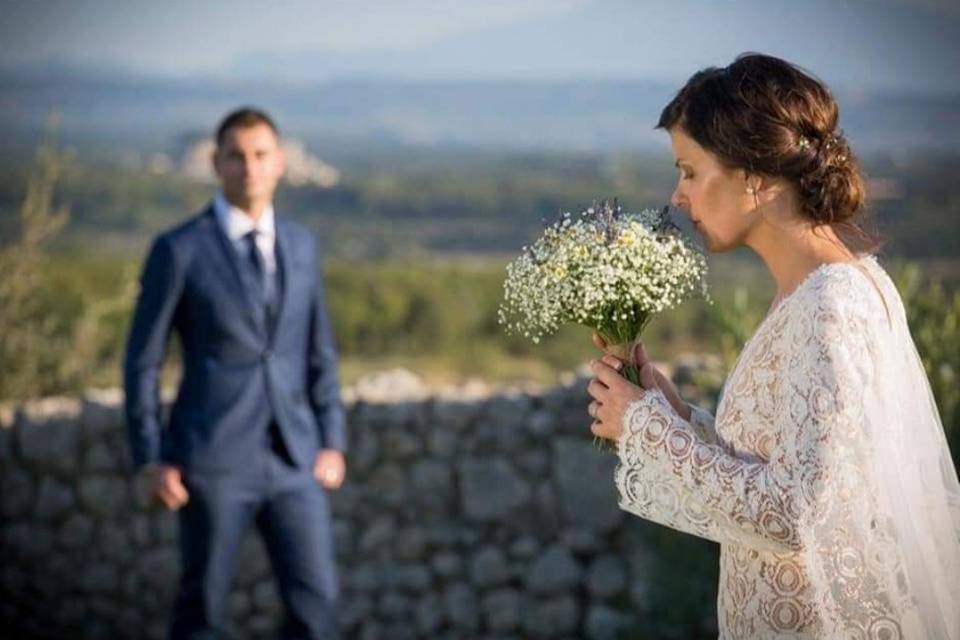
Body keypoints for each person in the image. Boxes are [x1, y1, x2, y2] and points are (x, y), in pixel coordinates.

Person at [585, 53, 960, 639]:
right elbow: (784, 467)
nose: (678, 197)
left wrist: (646, 430)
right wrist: (672, 413)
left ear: (752, 175)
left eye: (689, 171)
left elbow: (799, 514)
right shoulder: (806, 296)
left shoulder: (832, 306)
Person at [124, 107, 347, 639]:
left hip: (295, 461)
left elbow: (320, 352)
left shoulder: (302, 244)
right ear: (216, 164)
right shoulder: (178, 250)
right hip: (210, 461)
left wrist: (332, 440)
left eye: (260, 155)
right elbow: (143, 361)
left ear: (280, 163)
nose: (249, 167)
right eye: (236, 156)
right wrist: (151, 457)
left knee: (318, 609)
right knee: (203, 613)